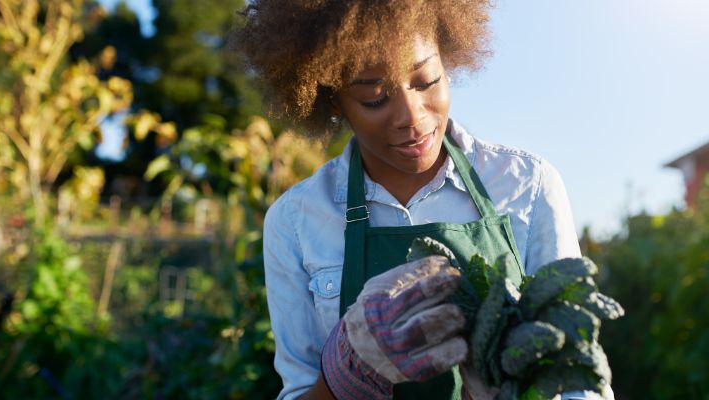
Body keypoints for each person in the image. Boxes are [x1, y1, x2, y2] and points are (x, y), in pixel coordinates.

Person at [233, 1, 608, 399]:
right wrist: (343, 378)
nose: (412, 117)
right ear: (332, 100)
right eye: (375, 98)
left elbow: (578, 379)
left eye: (427, 80)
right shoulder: (295, 220)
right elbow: (299, 389)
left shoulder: (526, 186)